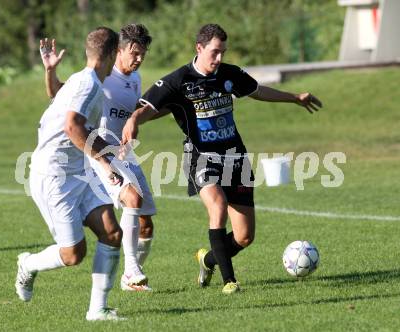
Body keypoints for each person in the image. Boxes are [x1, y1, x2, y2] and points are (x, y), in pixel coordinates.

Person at [122, 23, 322, 294]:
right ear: (199, 48)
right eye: (214, 52)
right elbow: (148, 106)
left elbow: (258, 90)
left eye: (223, 53)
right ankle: (229, 281)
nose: (219, 58)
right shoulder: (178, 80)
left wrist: (294, 98)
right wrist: (134, 119)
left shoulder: (229, 74)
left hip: (235, 157)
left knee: (244, 236)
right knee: (217, 207)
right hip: (201, 157)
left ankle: (207, 260)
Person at [15, 27, 126, 321]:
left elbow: (56, 95)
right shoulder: (87, 83)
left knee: (112, 232)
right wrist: (106, 158)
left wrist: (50, 72)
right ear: (114, 54)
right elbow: (72, 127)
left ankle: (98, 310)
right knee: (72, 255)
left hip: (78, 171)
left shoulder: (82, 79)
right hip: (54, 176)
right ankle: (28, 264)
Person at [39, 24, 155, 291]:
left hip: (123, 154)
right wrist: (50, 71)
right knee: (131, 199)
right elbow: (57, 94)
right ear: (118, 51)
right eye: (134, 52)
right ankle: (131, 272)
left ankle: (131, 275)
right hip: (97, 152)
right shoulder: (101, 77)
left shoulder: (135, 79)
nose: (139, 59)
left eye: (143, 54)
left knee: (146, 225)